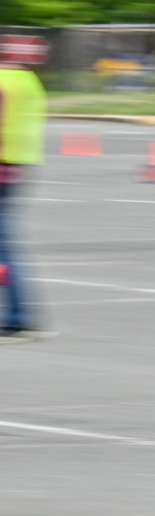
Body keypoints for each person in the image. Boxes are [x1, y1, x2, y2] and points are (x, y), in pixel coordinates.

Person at [0, 34, 48, 342]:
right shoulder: (30, 81)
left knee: (5, 247)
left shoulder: (2, 80)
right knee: (6, 245)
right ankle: (19, 316)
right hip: (18, 166)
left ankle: (19, 318)